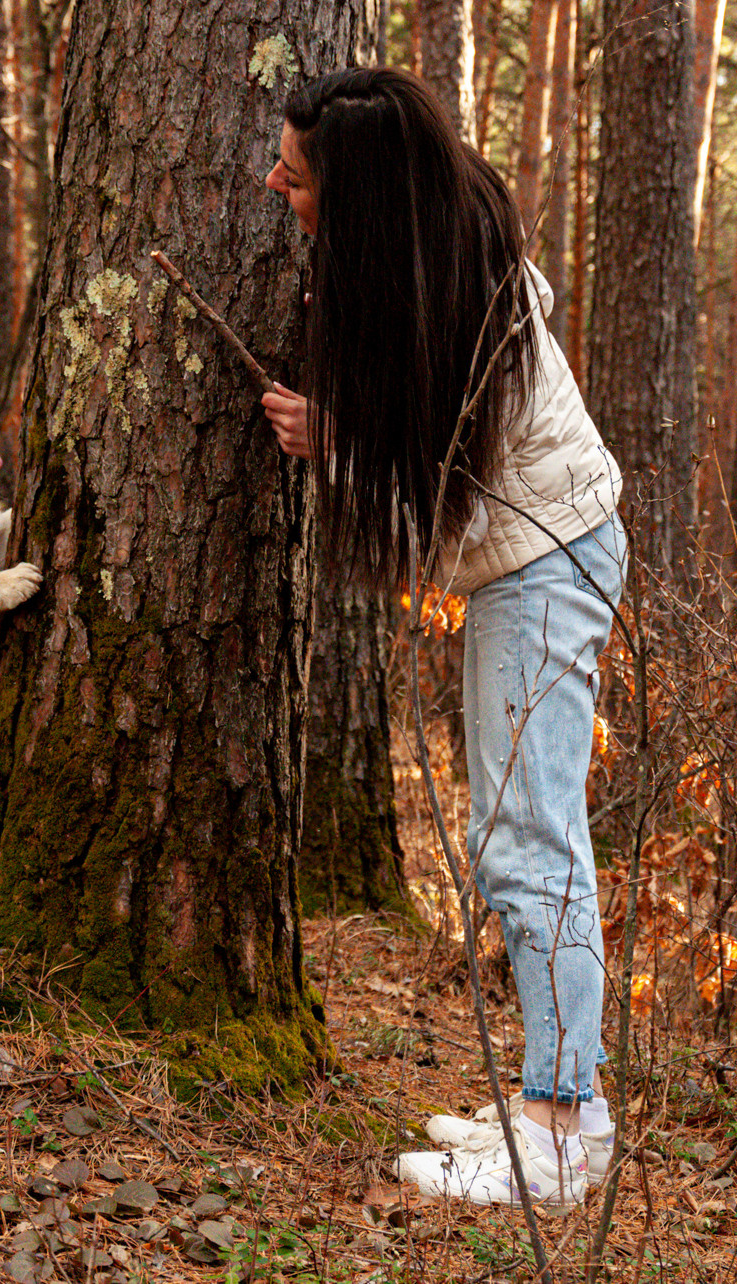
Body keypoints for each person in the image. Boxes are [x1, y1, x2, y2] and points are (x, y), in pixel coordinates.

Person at [262, 67, 625, 1210]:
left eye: (296, 173)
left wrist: (337, 435)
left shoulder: (459, 289)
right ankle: (552, 1102)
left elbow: (450, 463)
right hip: (535, 562)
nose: (275, 184)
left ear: (360, 193)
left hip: (548, 564)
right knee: (515, 833)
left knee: (530, 842)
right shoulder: (431, 251)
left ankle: (565, 1129)